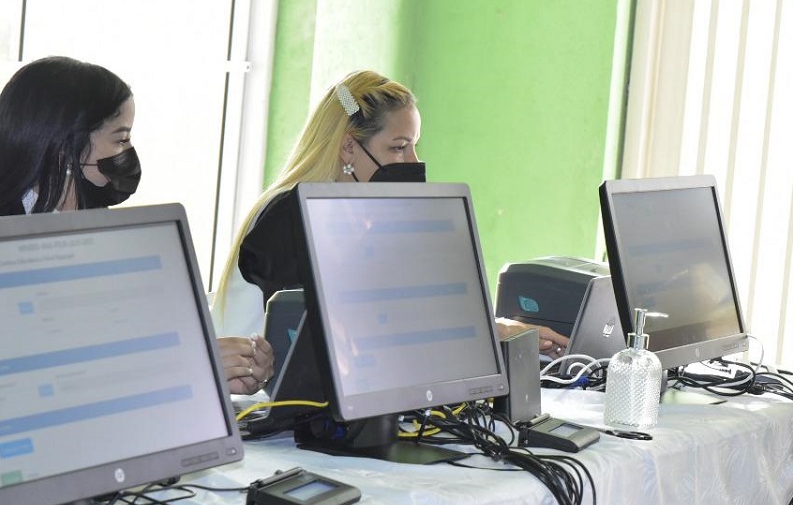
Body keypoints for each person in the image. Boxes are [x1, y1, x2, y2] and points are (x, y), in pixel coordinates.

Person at [211, 69, 569, 357]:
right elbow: (328, 330)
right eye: (399, 148)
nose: (413, 162)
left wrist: (494, 329)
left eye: (414, 146)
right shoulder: (290, 214)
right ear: (348, 147)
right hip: (255, 405)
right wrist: (488, 332)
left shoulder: (361, 214)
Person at [0, 56, 274, 395]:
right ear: (66, 147)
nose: (128, 152)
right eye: (121, 139)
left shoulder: (98, 231)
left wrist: (223, 372)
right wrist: (191, 364)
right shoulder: (11, 240)